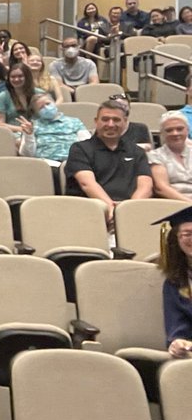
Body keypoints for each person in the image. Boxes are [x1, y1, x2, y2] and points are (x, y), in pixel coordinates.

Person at [65, 100, 154, 225]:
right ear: (96, 122)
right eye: (105, 119)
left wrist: (128, 210)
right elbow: (87, 184)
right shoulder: (79, 149)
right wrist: (111, 209)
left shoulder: (137, 151)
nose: (110, 124)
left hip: (130, 211)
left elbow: (146, 186)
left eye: (116, 120)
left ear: (125, 123)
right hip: (91, 211)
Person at [157, 206, 192, 359]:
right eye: (187, 234)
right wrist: (178, 342)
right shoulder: (176, 283)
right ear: (176, 240)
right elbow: (178, 327)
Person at [17, 93, 90, 163]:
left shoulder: (74, 122)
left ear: (54, 103)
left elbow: (88, 145)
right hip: (47, 164)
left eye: (48, 103)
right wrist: (29, 135)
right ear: (37, 112)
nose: (46, 108)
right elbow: (26, 154)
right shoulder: (32, 126)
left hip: (74, 162)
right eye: (41, 107)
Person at [148, 112, 192, 201]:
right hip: (173, 203)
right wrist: (189, 202)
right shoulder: (155, 156)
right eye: (169, 130)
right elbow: (161, 188)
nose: (175, 133)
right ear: (162, 133)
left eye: (180, 129)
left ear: (187, 130)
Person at [0, 63, 41, 133]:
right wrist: (22, 129)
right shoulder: (3, 96)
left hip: (40, 132)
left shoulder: (40, 94)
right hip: (13, 134)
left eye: (20, 76)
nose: (16, 79)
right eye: (13, 77)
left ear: (27, 77)